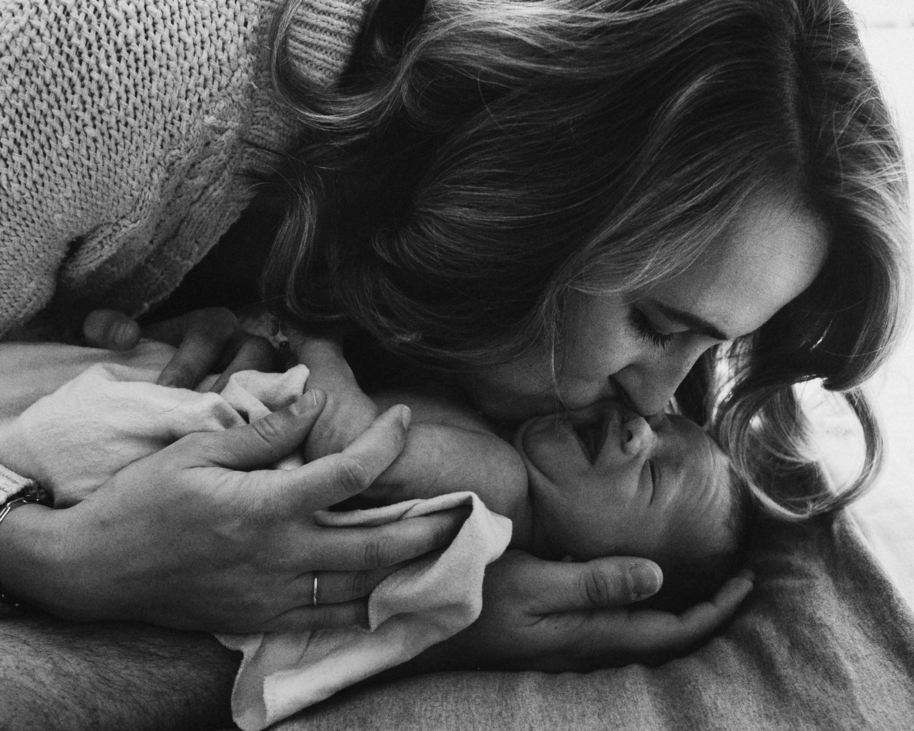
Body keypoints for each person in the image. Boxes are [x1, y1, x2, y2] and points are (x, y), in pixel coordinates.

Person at [0, 0, 908, 727]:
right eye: (654, 322)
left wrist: (415, 617)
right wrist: (51, 554)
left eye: (712, 345)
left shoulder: (628, 336)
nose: (661, 398)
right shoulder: (102, 66)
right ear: (522, 195)